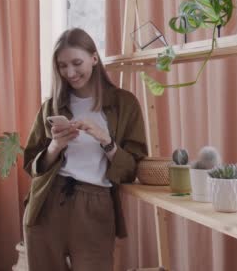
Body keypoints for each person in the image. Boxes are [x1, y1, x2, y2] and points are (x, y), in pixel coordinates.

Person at [22, 28, 147, 271]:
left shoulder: (124, 104)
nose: (70, 72)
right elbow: (31, 165)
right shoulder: (52, 106)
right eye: (62, 65)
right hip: (48, 202)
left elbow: (132, 168)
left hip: (96, 205)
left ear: (94, 57)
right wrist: (56, 146)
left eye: (77, 62)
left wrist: (105, 140)